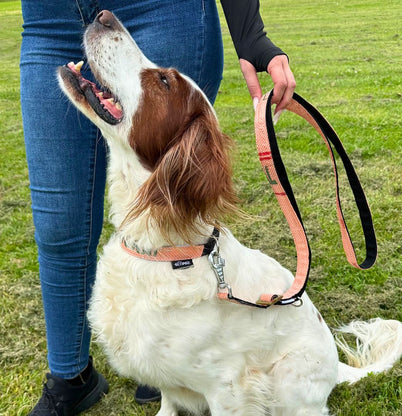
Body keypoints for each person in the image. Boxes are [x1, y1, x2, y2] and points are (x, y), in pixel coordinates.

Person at [20, 0, 296, 415]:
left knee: (169, 210)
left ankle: (173, 362)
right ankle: (71, 376)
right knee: (60, 225)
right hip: (49, 17)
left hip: (163, 8)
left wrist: (250, 31)